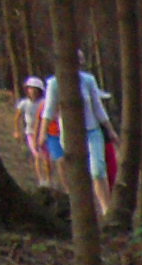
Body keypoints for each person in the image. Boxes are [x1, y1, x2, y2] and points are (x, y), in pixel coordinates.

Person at [40, 51, 120, 215]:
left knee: (98, 169)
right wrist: (42, 134)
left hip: (92, 130)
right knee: (77, 170)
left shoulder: (88, 80)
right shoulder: (54, 83)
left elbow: (97, 107)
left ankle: (106, 209)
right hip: (70, 134)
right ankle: (81, 209)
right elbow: (48, 111)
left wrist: (110, 129)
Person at [14, 77, 49, 187]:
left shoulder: (43, 103)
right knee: (37, 155)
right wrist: (17, 131)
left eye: (35, 89)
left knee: (46, 157)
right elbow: (17, 118)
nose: (32, 91)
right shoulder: (24, 103)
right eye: (30, 88)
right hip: (31, 132)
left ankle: (48, 179)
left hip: (43, 132)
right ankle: (41, 180)